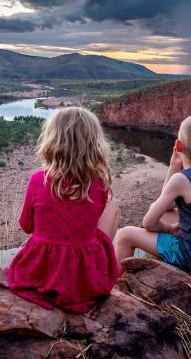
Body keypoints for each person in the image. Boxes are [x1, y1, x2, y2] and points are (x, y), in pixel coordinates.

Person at [8, 107, 120, 313]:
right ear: (94, 144)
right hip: (85, 277)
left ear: (52, 142)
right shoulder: (100, 184)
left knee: (38, 239)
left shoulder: (37, 180)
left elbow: (26, 226)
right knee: (112, 210)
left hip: (42, 271)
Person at [115, 114, 191, 277]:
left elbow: (148, 223)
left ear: (178, 146)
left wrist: (169, 229)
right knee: (167, 213)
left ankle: (117, 284)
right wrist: (174, 166)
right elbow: (169, 204)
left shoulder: (182, 179)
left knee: (125, 235)